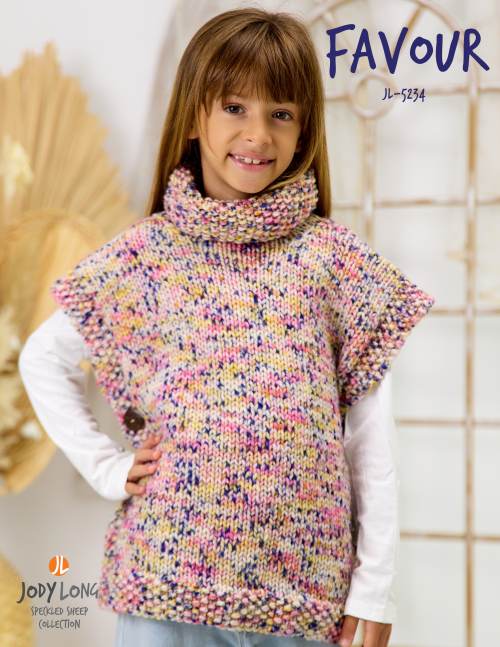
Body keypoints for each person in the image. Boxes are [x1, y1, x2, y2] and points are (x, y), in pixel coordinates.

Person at [18, 7, 435, 647]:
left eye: (282, 113)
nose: (258, 134)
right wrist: (106, 468)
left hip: (301, 595)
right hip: (166, 592)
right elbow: (43, 357)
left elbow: (370, 440)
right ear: (194, 116)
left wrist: (376, 587)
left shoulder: (334, 261)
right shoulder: (147, 256)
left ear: (305, 129)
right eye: (235, 107)